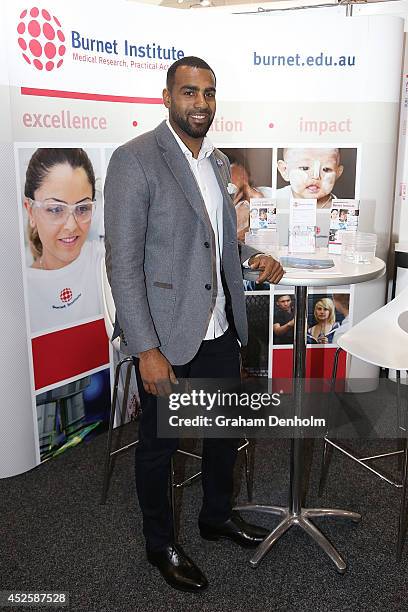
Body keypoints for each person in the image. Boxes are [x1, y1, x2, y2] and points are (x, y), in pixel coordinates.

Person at [104, 56, 284, 593]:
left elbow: (216, 241)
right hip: (166, 334)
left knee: (225, 430)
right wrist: (145, 348)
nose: (200, 103)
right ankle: (159, 544)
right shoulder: (134, 160)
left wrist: (253, 256)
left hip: (219, 326)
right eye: (189, 92)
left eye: (208, 93)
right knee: (160, 445)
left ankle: (216, 516)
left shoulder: (217, 162)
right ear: (166, 97)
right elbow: (123, 262)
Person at [23, 148, 103, 334]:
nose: (71, 226)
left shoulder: (105, 264)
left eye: (82, 208)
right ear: (30, 211)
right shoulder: (18, 289)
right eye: (55, 209)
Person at [276, 148, 344, 209]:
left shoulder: (342, 208)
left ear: (337, 173)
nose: (315, 176)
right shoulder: (273, 197)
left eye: (326, 169)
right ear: (284, 170)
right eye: (305, 168)